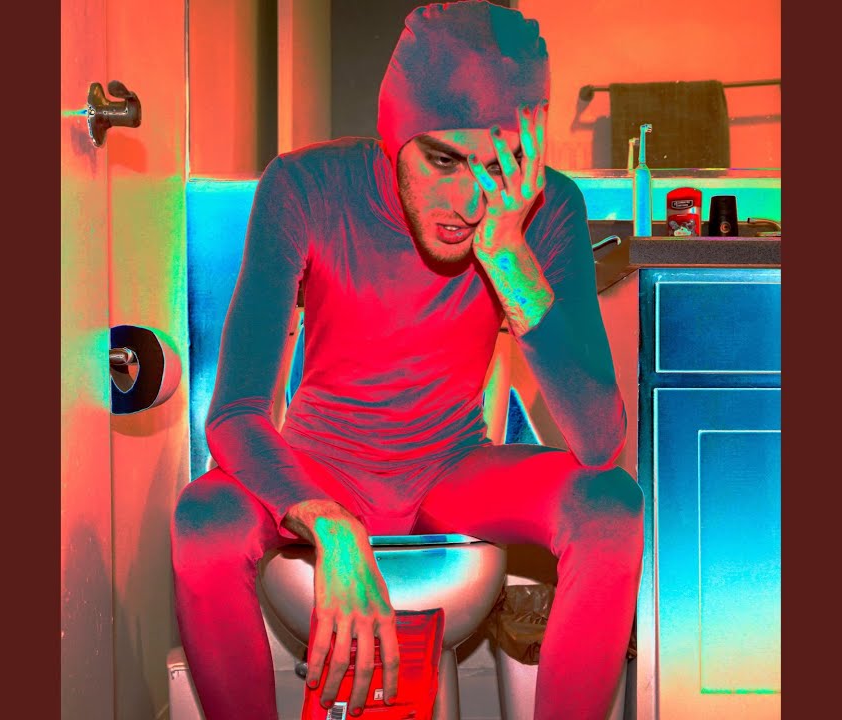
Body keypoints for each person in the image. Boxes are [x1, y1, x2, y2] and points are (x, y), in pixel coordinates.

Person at [171, 2, 643, 718]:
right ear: (396, 135)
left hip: (450, 470)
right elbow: (235, 413)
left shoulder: (546, 210)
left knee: (611, 508)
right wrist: (328, 520)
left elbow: (601, 441)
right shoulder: (306, 186)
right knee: (204, 521)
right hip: (323, 463)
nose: (466, 201)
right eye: (442, 159)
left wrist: (509, 257)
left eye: (496, 168)